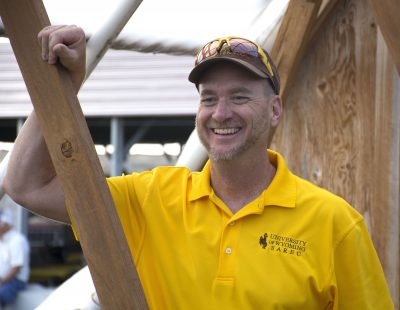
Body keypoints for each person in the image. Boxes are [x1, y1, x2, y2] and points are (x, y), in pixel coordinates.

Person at [3, 25, 394, 309]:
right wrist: (64, 86)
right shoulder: (151, 198)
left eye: (239, 96)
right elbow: (26, 186)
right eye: (209, 99)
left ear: (275, 110)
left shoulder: (334, 224)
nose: (220, 113)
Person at [0, 208, 30, 308]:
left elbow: (16, 269)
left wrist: (1, 281)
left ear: (5, 224)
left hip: (15, 281)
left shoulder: (17, 240)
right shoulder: (2, 240)